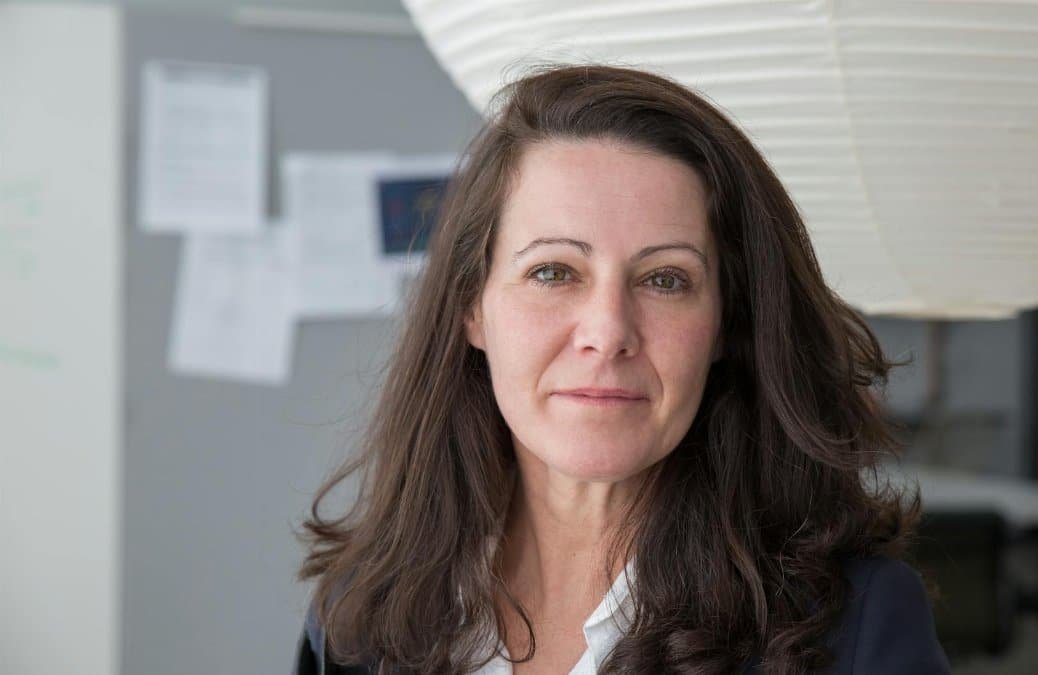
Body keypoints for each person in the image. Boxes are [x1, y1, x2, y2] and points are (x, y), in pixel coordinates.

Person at [294, 63, 950, 675]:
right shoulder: (356, 618)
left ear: (727, 323)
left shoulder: (855, 629)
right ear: (472, 306)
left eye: (665, 279)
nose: (608, 332)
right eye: (553, 271)